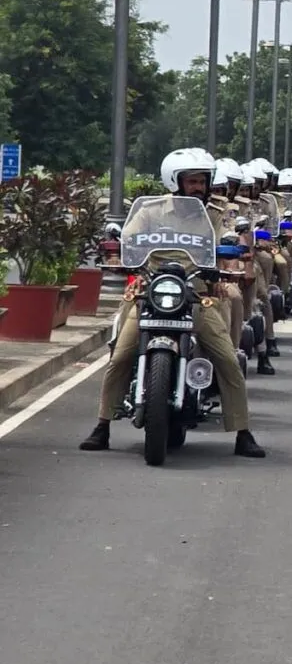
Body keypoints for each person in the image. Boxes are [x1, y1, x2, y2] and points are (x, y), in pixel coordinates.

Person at [79, 148, 265, 458]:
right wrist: (118, 254)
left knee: (228, 360)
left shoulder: (213, 215)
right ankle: (102, 425)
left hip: (196, 294)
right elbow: (128, 240)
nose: (198, 187)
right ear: (174, 182)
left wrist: (229, 259)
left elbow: (228, 241)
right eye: (192, 181)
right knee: (120, 356)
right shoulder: (150, 211)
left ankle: (242, 432)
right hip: (150, 290)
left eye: (202, 181)